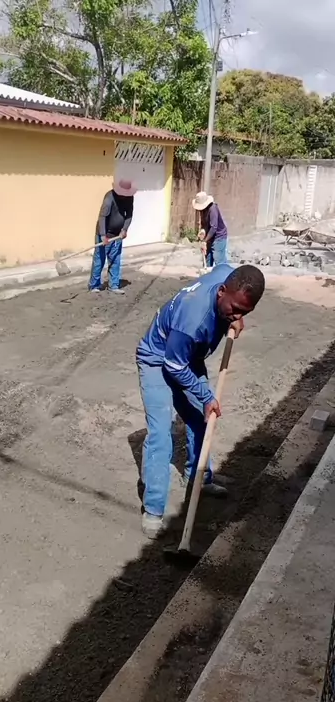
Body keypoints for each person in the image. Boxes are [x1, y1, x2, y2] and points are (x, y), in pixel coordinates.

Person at [136, 263, 265, 538]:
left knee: (203, 420)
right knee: (161, 434)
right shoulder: (193, 319)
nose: (238, 315)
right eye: (235, 309)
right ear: (221, 292)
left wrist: (234, 318)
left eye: (245, 311)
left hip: (188, 356)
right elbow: (174, 367)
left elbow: (225, 269)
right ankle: (153, 509)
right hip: (158, 360)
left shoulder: (228, 277)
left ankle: (200, 479)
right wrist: (206, 396)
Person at [88, 179, 136, 295]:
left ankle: (113, 285)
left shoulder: (129, 198)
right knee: (99, 260)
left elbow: (129, 215)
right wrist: (103, 235)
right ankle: (94, 285)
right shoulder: (109, 198)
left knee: (115, 259)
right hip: (104, 233)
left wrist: (124, 229)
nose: (125, 196)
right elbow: (102, 217)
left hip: (117, 235)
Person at [192, 191, 228, 267]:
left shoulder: (213, 209)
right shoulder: (202, 211)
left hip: (219, 236)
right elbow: (204, 224)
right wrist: (203, 231)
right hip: (209, 236)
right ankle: (208, 273)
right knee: (207, 259)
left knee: (219, 260)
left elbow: (214, 227)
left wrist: (205, 241)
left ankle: (223, 273)